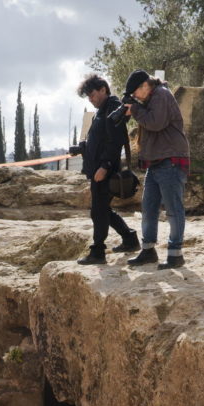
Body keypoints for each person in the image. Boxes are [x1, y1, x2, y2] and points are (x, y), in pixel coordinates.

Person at [122, 69, 191, 270]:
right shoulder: (152, 99)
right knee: (149, 208)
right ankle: (148, 250)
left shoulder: (161, 94)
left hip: (170, 159)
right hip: (156, 160)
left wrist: (134, 109)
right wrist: (135, 107)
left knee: (173, 209)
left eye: (135, 93)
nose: (135, 97)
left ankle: (175, 254)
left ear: (145, 85)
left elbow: (156, 123)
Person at [73, 74, 140, 265]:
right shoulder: (102, 110)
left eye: (92, 94)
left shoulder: (113, 107)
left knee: (99, 210)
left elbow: (115, 141)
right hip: (97, 170)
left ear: (103, 89)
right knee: (101, 209)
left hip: (105, 170)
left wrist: (105, 166)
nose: (91, 99)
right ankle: (129, 238)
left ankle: (98, 252)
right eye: (88, 97)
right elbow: (101, 140)